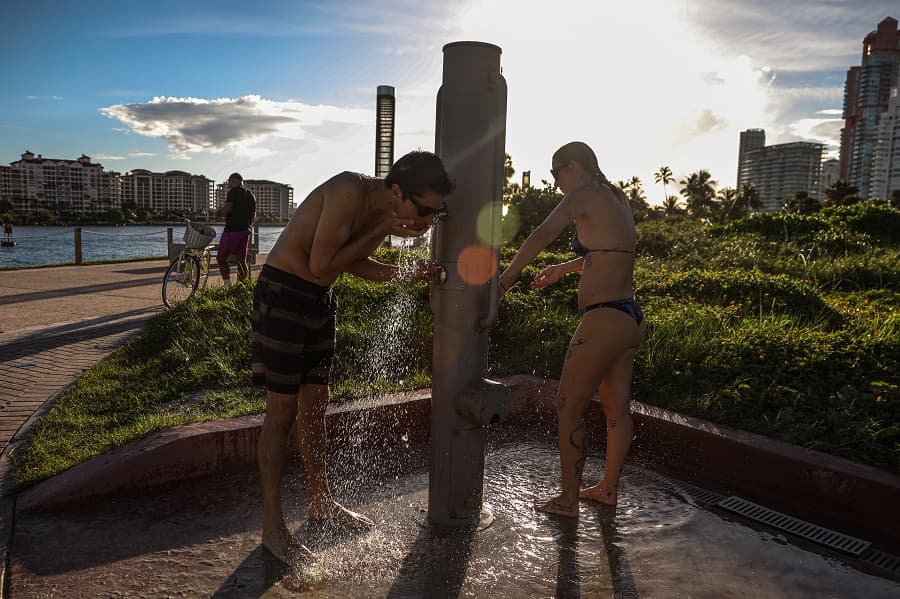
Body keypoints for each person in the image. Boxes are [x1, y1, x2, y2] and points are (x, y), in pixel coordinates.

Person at [253, 150, 454, 560]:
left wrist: (406, 274)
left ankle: (321, 501)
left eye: (437, 212)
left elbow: (354, 263)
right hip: (283, 294)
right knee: (282, 411)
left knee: (315, 408)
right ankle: (272, 528)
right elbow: (322, 261)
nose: (428, 221)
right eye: (426, 209)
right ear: (397, 191)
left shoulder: (386, 211)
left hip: (318, 299)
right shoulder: (348, 191)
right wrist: (383, 224)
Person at [498, 141, 646, 517]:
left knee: (568, 407)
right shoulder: (616, 197)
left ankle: (568, 500)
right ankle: (607, 490)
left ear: (575, 167)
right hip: (628, 317)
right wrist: (564, 269)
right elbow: (608, 252)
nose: (555, 181)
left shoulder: (583, 194)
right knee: (617, 411)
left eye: (555, 172)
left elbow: (541, 235)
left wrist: (505, 281)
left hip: (602, 320)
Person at [216, 172, 256, 286]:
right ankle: (242, 286)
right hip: (245, 231)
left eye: (230, 181)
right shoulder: (250, 195)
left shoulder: (233, 192)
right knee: (241, 260)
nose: (229, 183)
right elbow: (253, 214)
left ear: (235, 181)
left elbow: (227, 209)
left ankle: (227, 285)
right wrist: (248, 226)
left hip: (232, 230)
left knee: (221, 258)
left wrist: (220, 213)